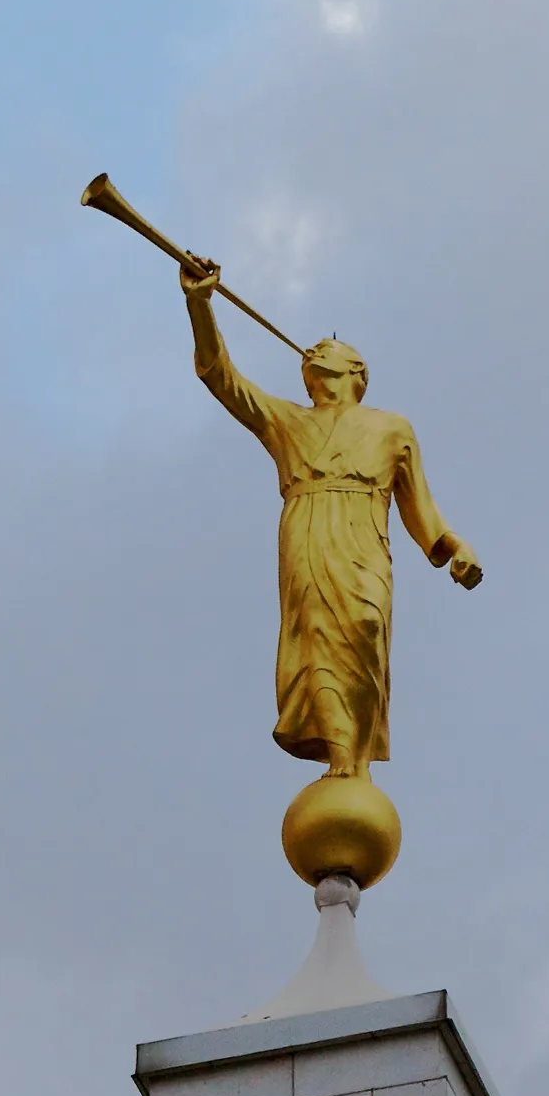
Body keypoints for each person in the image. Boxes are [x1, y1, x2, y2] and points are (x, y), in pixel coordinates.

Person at [180, 255, 481, 781]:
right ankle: (344, 758)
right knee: (316, 635)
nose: (316, 349)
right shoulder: (289, 423)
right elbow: (221, 378)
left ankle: (358, 755)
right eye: (314, 348)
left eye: (331, 348)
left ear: (356, 372)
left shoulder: (392, 429)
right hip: (307, 531)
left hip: (363, 534)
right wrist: (200, 303)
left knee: (365, 627)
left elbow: (420, 508)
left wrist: (455, 547)